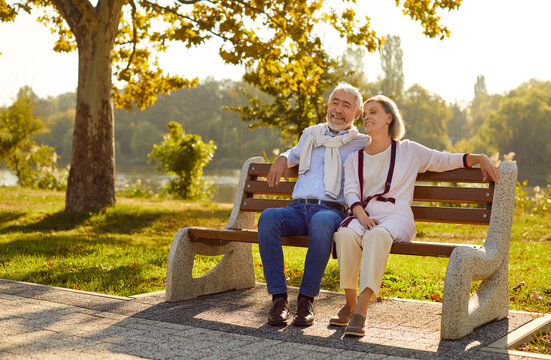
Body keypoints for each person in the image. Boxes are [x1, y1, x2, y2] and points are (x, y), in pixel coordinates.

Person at [329, 95, 501, 337]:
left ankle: (362, 311)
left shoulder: (409, 150)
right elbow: (351, 192)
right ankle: (350, 303)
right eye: (365, 113)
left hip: (396, 218)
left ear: (388, 117)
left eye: (374, 112)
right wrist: (361, 216)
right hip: (364, 216)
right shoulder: (355, 157)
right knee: (345, 233)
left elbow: (444, 159)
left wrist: (478, 158)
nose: (367, 116)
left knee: (377, 235)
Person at [258, 82, 371, 327]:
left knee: (321, 222)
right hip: (297, 209)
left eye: (346, 105)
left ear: (357, 114)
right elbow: (294, 153)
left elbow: (389, 150)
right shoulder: (311, 134)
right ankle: (279, 299)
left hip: (330, 210)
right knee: (268, 217)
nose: (338, 110)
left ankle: (306, 300)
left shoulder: (361, 142)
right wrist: (282, 157)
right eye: (335, 102)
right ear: (328, 106)